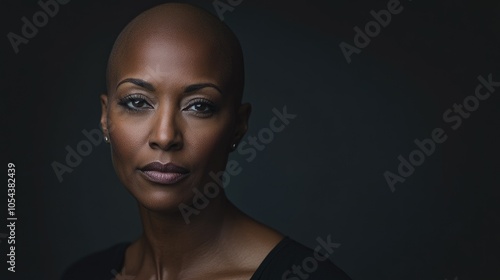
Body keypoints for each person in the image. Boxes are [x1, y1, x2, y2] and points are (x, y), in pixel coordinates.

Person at [62, 3, 352, 280]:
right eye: (137, 102)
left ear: (238, 127)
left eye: (199, 106)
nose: (165, 137)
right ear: (105, 118)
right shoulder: (84, 275)